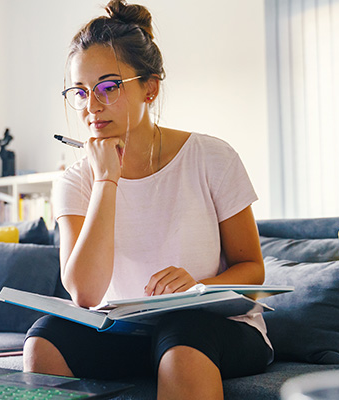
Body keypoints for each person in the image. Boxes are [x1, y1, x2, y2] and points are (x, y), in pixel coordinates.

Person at [23, 1, 272, 398]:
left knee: (182, 334)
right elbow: (84, 295)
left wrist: (197, 288)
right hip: (126, 332)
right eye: (81, 91)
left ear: (150, 88)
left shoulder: (212, 157)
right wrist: (106, 179)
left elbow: (252, 271)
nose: (92, 106)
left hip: (211, 328)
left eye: (108, 87)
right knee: (44, 337)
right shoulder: (75, 181)